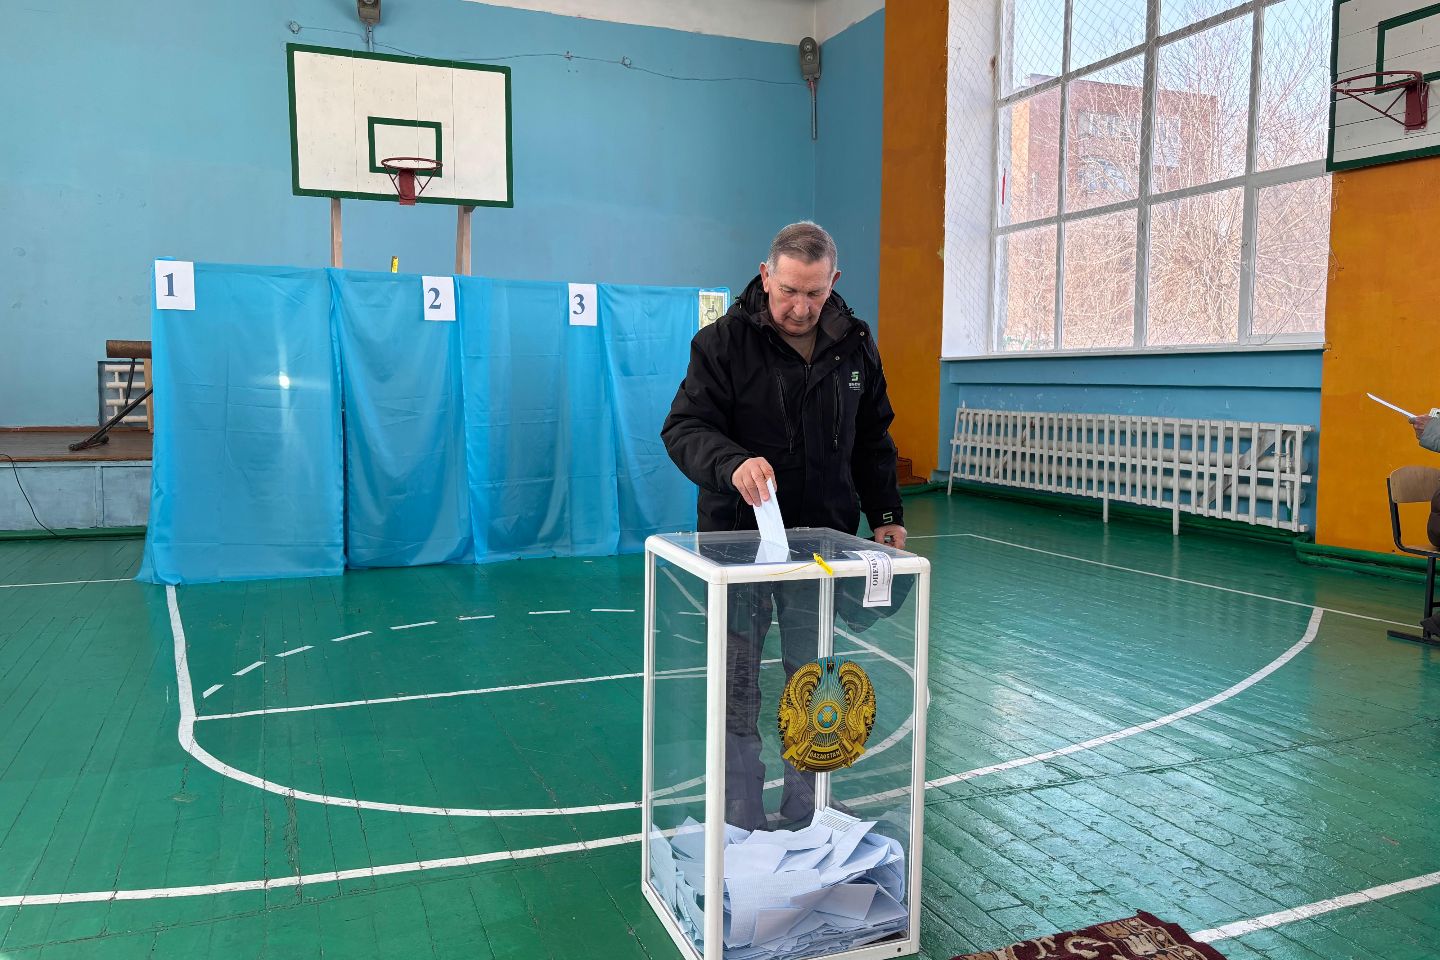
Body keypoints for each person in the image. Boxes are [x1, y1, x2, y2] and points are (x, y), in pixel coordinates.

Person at [661, 221, 905, 829]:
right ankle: (739, 806)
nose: (799, 308)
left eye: (814, 293)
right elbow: (684, 428)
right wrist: (733, 463)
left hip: (822, 546)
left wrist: (886, 516)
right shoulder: (721, 344)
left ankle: (808, 802)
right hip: (738, 547)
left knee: (815, 680)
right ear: (766, 275)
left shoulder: (855, 344)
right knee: (739, 681)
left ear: (834, 282)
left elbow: (872, 439)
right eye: (789, 290)